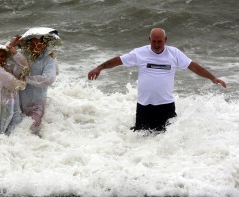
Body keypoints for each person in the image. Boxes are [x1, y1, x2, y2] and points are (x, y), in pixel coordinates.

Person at [88, 28, 227, 132]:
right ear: (149, 40)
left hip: (166, 106)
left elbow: (193, 66)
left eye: (159, 41)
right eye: (153, 41)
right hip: (144, 106)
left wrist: (213, 78)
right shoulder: (140, 53)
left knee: (167, 140)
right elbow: (119, 60)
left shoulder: (174, 53)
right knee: (139, 139)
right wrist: (99, 68)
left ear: (165, 40)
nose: (156, 44)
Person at [10, 27, 62, 134]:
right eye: (32, 43)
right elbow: (2, 60)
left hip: (37, 105)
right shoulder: (23, 55)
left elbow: (49, 79)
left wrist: (26, 79)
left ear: (45, 44)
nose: (35, 46)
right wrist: (12, 44)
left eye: (39, 43)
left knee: (31, 130)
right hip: (19, 104)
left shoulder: (50, 59)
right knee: (14, 129)